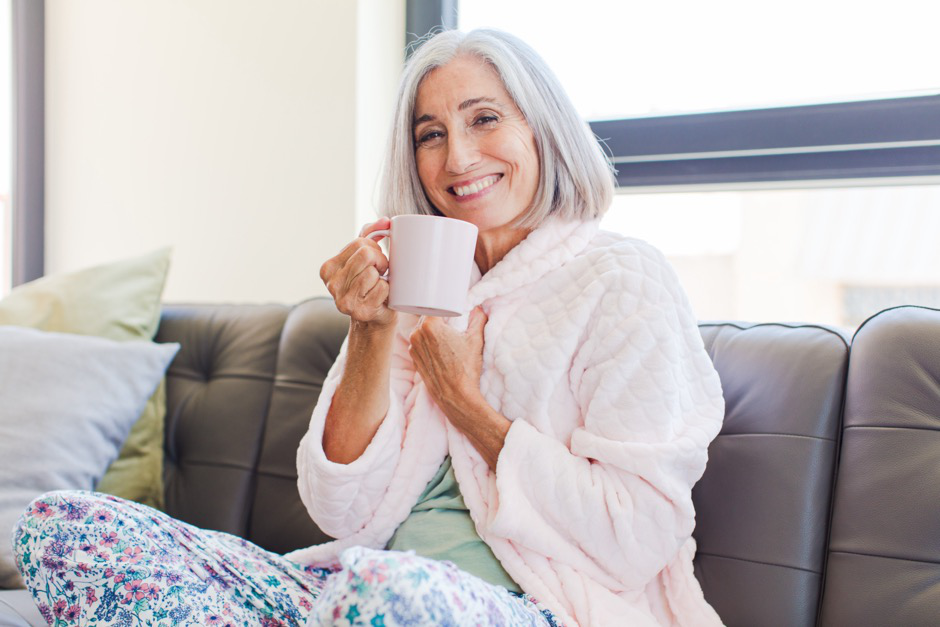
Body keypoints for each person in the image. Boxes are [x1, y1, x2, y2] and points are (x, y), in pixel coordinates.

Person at [12, 29, 724, 627]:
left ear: (541, 127)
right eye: (431, 134)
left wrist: (469, 408)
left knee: (385, 593)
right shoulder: (420, 287)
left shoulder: (622, 280)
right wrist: (371, 330)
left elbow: (638, 534)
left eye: (485, 119)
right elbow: (337, 509)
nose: (459, 157)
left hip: (534, 607)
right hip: (354, 592)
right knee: (67, 528)